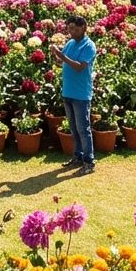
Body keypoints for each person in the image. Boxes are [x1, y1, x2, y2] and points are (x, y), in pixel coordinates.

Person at [53, 14, 97, 175]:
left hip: (81, 94)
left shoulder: (89, 46)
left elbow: (80, 67)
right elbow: (61, 63)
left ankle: (89, 161)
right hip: (68, 92)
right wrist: (57, 56)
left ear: (84, 28)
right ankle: (78, 157)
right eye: (70, 28)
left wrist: (61, 56)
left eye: (75, 29)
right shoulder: (70, 43)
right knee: (73, 128)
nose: (72, 32)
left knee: (83, 129)